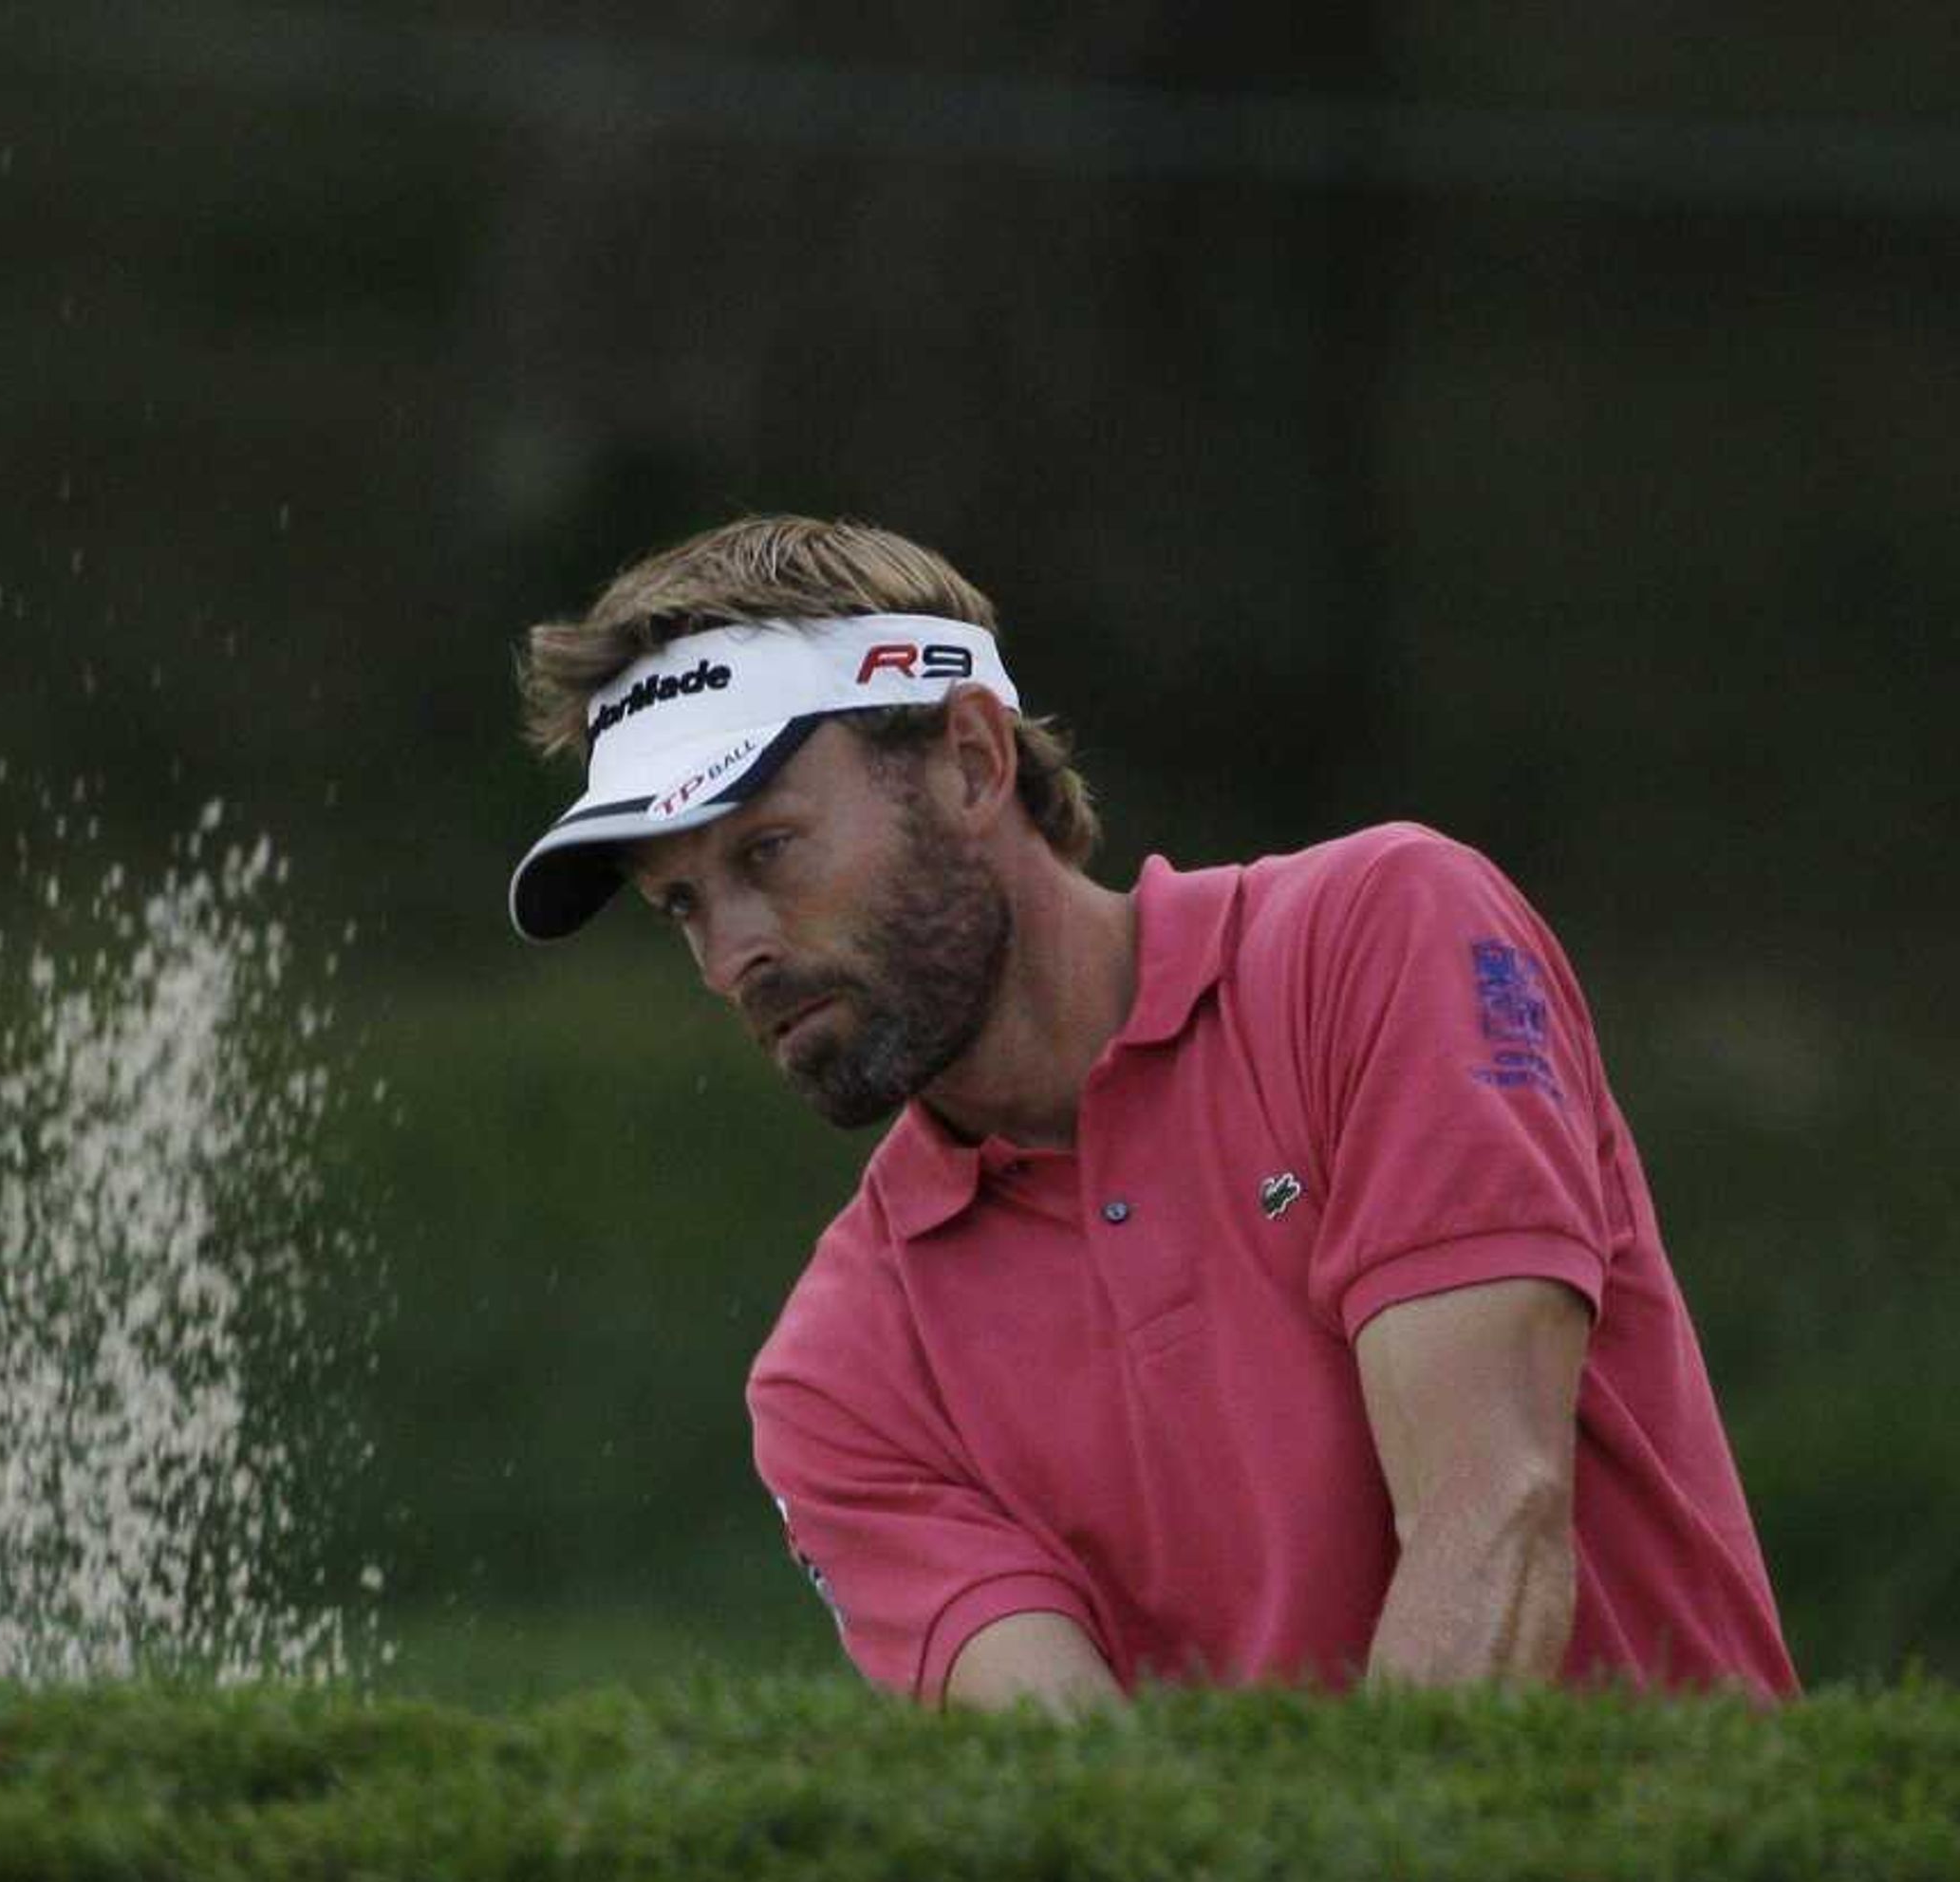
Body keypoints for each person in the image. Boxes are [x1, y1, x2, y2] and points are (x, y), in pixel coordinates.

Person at [504, 514, 1797, 1710]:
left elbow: (1492, 1517)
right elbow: (1096, 1803)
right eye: (681, 904)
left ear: (970, 760)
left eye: (767, 853)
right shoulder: (839, 1379)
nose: (730, 955)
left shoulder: (1380, 938)